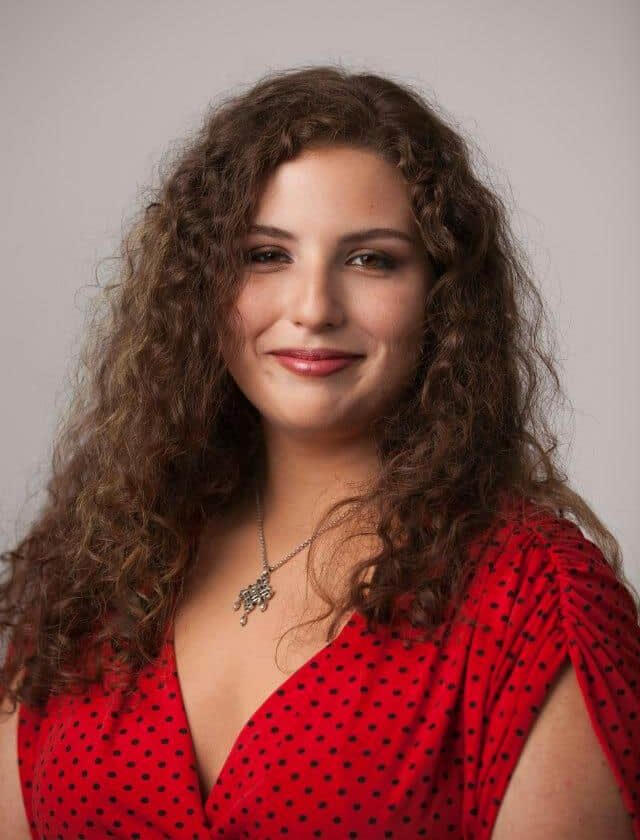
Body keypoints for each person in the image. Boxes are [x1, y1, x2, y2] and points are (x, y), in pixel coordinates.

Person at [1, 65, 639, 840]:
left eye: (371, 259)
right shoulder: (94, 571)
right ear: (199, 285)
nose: (313, 308)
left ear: (442, 297)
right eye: (266, 255)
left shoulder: (536, 598)